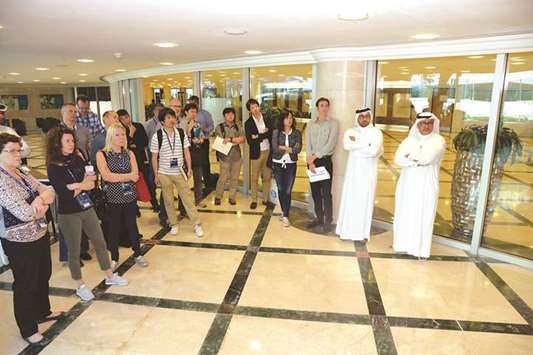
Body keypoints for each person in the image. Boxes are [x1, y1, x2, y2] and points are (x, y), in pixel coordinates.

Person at [46, 127, 128, 301]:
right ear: (57, 143)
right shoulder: (53, 166)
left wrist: (76, 186)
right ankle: (80, 285)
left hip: (87, 207)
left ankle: (109, 275)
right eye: (67, 141)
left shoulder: (77, 159)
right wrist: (80, 185)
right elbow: (64, 194)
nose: (71, 144)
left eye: (72, 141)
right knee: (74, 251)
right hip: (68, 214)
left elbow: (91, 183)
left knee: (100, 242)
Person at [0, 133, 61, 345]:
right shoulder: (1, 180)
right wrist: (39, 204)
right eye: (12, 151)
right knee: (26, 283)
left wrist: (38, 200)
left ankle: (42, 311)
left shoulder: (22, 172)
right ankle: (28, 328)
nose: (19, 154)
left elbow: (49, 190)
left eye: (19, 150)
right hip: (18, 240)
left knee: (43, 274)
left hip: (39, 232)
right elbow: (24, 213)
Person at [393, 112, 446, 259]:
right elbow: (397, 159)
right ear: (418, 125)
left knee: (424, 214)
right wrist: (415, 160)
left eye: (430, 123)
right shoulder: (408, 140)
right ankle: (402, 245)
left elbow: (427, 159)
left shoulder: (438, 140)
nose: (427, 126)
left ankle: (419, 250)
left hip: (426, 184)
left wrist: (410, 157)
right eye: (423, 123)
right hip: (407, 183)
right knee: (406, 212)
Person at [96, 123, 149, 268]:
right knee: (114, 228)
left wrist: (121, 176)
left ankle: (138, 254)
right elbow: (106, 176)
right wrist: (127, 177)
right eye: (117, 135)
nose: (121, 138)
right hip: (113, 198)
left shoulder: (129, 153)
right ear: (110, 137)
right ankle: (114, 257)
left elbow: (136, 175)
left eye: (123, 134)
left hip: (129, 196)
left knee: (132, 226)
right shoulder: (102, 154)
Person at [150, 108, 204, 237]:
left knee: (187, 198)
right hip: (164, 173)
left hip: (179, 171)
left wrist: (189, 168)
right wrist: (156, 175)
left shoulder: (181, 133)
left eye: (173, 117)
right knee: (168, 200)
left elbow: (186, 151)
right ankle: (174, 224)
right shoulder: (157, 136)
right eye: (168, 118)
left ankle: (197, 224)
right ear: (162, 121)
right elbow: (154, 157)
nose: (172, 120)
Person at [336, 108, 383, 241]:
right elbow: (346, 145)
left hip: (368, 175)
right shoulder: (350, 131)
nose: (364, 119)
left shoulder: (376, 132)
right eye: (361, 116)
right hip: (352, 174)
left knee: (364, 202)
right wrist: (366, 144)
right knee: (350, 200)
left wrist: (356, 144)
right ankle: (345, 231)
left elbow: (374, 151)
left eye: (366, 116)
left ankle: (362, 234)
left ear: (370, 117)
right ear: (357, 118)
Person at [58, 103, 92, 262]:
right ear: (62, 113)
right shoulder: (56, 132)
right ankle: (71, 254)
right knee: (69, 220)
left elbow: (88, 149)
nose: (73, 114)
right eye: (70, 111)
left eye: (74, 111)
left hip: (81, 172)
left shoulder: (83, 129)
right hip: (65, 176)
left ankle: (83, 248)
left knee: (83, 213)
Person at [306, 97, 339, 233]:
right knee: (315, 193)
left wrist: (315, 156)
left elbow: (331, 144)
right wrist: (310, 161)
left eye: (326, 105)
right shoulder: (310, 124)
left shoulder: (333, 124)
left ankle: (328, 220)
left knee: (326, 193)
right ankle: (318, 217)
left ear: (328, 108)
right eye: (321, 105)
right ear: (317, 108)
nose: (324, 108)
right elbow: (308, 143)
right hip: (312, 162)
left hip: (324, 161)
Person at [117, 109, 157, 211]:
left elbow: (144, 141)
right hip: (127, 162)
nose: (126, 120)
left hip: (141, 159)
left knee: (149, 182)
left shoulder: (138, 126)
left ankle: (154, 203)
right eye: (122, 119)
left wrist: (133, 144)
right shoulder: (120, 130)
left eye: (127, 117)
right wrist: (130, 135)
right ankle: (134, 208)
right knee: (130, 185)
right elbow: (124, 146)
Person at [271, 110, 302, 227]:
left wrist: (283, 147)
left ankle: (285, 216)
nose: (290, 120)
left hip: (290, 164)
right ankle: (284, 212)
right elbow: (275, 148)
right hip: (278, 163)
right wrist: (289, 148)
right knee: (280, 189)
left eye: (291, 118)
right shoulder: (276, 132)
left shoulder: (297, 133)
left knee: (288, 190)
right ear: (282, 120)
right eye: (287, 118)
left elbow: (297, 149)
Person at [244, 98, 273, 209]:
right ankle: (254, 200)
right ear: (249, 110)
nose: (255, 109)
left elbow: (270, 133)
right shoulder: (248, 123)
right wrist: (263, 134)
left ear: (259, 106)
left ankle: (265, 199)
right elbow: (250, 140)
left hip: (268, 151)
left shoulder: (267, 118)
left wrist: (257, 136)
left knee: (266, 177)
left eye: (256, 106)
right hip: (256, 153)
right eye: (252, 108)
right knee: (255, 178)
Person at [214, 107, 245, 206]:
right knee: (223, 178)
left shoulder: (238, 126)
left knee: (234, 178)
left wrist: (230, 139)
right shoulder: (219, 127)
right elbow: (220, 141)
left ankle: (232, 197)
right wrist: (235, 140)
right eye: (227, 114)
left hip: (236, 157)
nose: (230, 116)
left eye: (232, 114)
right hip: (224, 157)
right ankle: (218, 196)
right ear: (224, 116)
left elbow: (242, 139)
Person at [184, 103, 208, 207]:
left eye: (195, 112)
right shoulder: (181, 123)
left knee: (198, 178)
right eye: (191, 111)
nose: (194, 114)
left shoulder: (197, 124)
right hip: (185, 154)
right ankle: (185, 203)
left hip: (197, 153)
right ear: (186, 112)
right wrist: (189, 130)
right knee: (184, 181)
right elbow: (182, 138)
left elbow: (201, 136)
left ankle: (198, 200)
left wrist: (200, 140)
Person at [188, 96, 214, 189]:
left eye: (194, 103)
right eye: (190, 103)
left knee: (205, 163)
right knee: (195, 164)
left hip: (203, 142)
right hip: (191, 144)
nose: (193, 105)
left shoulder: (205, 114)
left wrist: (204, 129)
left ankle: (208, 184)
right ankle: (197, 184)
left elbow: (211, 126)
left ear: (198, 103)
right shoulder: (187, 116)